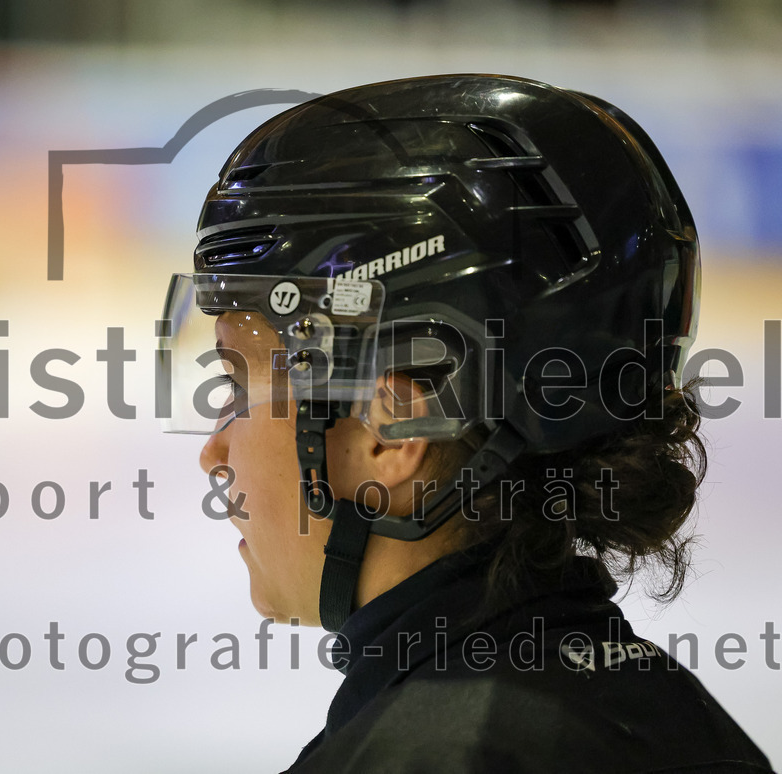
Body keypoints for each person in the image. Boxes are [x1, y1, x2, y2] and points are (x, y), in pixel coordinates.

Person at [160, 75, 773, 772]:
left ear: (392, 428)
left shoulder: (433, 754)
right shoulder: (666, 712)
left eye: (238, 383)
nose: (214, 451)